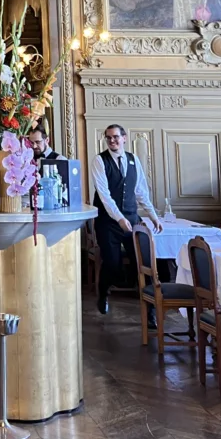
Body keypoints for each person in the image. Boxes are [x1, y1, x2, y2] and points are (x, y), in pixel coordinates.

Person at [90, 124, 162, 315]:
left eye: (115, 137)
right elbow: (104, 195)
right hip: (108, 222)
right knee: (112, 264)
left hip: (132, 218)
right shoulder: (99, 160)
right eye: (108, 138)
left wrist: (153, 216)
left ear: (124, 138)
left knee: (144, 262)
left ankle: (151, 312)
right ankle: (104, 292)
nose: (112, 141)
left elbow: (140, 191)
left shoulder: (133, 159)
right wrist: (119, 219)